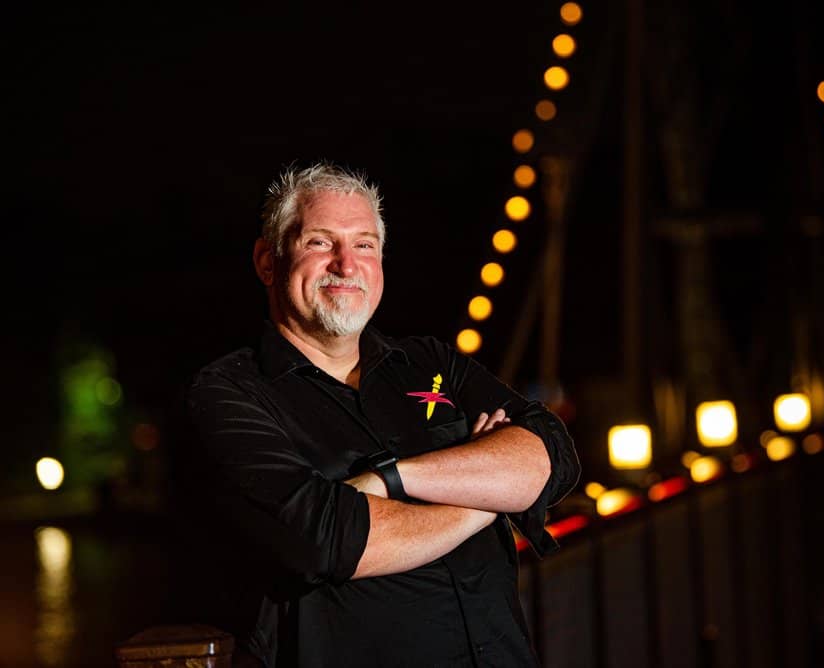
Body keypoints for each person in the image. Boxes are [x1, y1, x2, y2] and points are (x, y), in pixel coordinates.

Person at [178, 160, 581, 667]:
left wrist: (390, 479)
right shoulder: (227, 394)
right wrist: (490, 497)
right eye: (320, 242)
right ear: (267, 261)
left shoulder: (431, 361)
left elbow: (553, 453)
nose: (347, 266)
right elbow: (322, 540)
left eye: (364, 244)